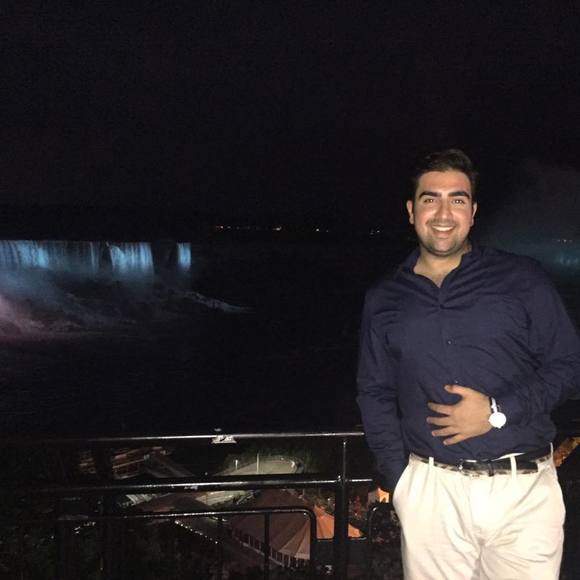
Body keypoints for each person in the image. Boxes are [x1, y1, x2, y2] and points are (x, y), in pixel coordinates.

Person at [356, 149, 580, 579]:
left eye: (457, 199)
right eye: (430, 199)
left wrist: (498, 411)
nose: (443, 213)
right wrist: (401, 482)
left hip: (524, 494)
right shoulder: (384, 298)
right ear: (411, 210)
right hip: (432, 494)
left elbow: (569, 364)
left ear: (473, 212)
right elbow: (374, 391)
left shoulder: (522, 278)